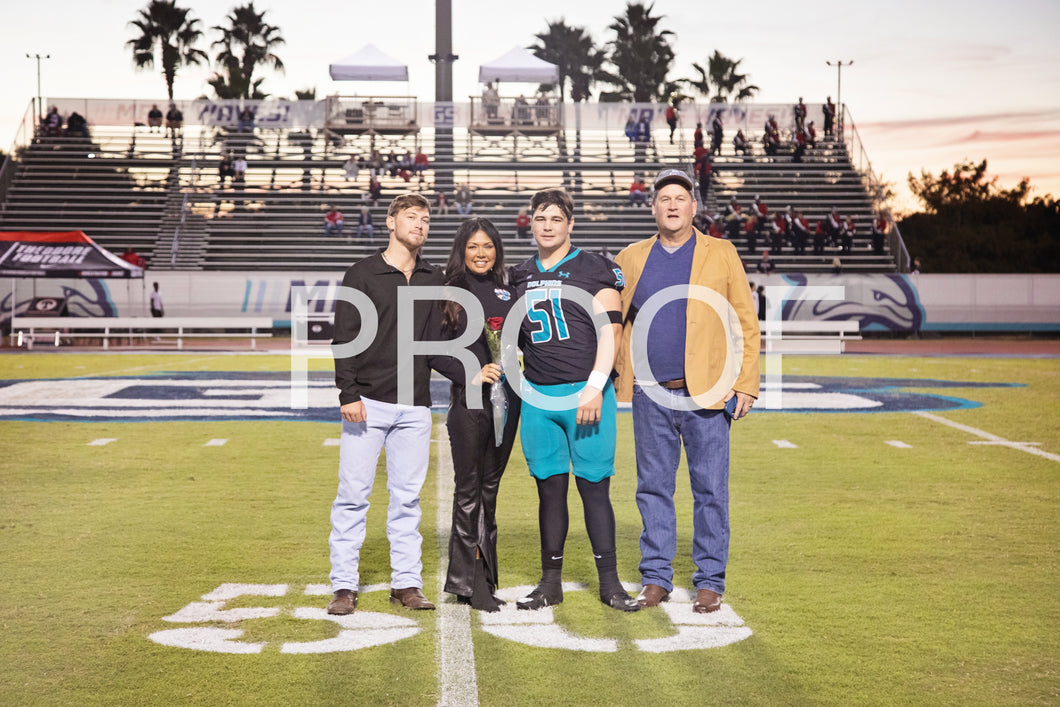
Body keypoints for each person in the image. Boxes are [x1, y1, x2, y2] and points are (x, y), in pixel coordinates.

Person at [613, 168, 760, 613]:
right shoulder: (631, 257)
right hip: (650, 392)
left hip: (708, 392)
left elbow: (744, 321)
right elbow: (612, 319)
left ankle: (710, 580)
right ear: (653, 207)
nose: (673, 205)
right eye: (665, 198)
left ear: (694, 207)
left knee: (710, 489)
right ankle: (656, 577)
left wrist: (745, 383)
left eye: (681, 197)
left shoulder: (722, 252)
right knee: (652, 487)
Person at [509, 188, 639, 613]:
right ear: (530, 222)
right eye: (540, 218)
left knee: (594, 489)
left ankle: (610, 583)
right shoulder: (520, 273)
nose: (547, 226)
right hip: (540, 396)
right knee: (549, 491)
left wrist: (595, 385)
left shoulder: (596, 267)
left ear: (570, 224)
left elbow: (611, 332)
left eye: (556, 219)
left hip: (587, 394)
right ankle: (550, 583)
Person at [327, 192, 441, 615]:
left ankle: (406, 583)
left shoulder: (433, 276)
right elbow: (344, 338)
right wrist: (349, 393)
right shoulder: (362, 274)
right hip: (368, 403)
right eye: (412, 217)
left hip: (415, 406)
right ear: (391, 222)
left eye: (426, 219)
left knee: (407, 499)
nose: (420, 224)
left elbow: (438, 343)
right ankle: (343, 585)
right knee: (353, 495)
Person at [427, 218, 522, 611]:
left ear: (497, 250)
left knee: (490, 491)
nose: (481, 253)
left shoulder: (509, 292)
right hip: (469, 405)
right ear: (461, 250)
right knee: (468, 492)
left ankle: (485, 577)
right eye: (473, 247)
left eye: (488, 246)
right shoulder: (447, 290)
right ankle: (468, 583)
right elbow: (431, 349)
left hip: (507, 403)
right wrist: (472, 372)